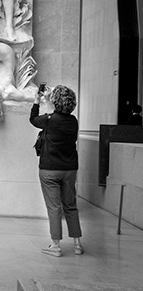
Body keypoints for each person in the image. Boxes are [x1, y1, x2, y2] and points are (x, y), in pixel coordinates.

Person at [30, 85, 83, 257]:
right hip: (70, 169)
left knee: (54, 207)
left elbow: (33, 119)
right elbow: (57, 117)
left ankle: (56, 245)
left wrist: (37, 101)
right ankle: (77, 244)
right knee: (71, 206)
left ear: (55, 101)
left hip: (49, 169)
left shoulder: (49, 120)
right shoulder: (73, 121)